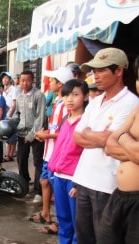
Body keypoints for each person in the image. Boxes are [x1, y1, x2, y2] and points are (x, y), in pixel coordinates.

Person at [72, 47, 139, 244]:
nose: (95, 76)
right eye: (93, 71)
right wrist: (100, 137)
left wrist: (94, 135)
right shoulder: (95, 101)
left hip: (107, 185)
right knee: (84, 236)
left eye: (101, 70)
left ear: (118, 71)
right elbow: (78, 136)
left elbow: (109, 142)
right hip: (84, 178)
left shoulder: (130, 103)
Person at [98, 56, 139, 244]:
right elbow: (110, 145)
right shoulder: (137, 109)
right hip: (120, 196)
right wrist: (126, 140)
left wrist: (122, 138)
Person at [29, 66, 72, 231]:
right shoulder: (56, 102)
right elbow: (55, 128)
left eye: (53, 80)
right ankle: (46, 213)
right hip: (49, 151)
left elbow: (66, 132)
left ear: (60, 84)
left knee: (58, 187)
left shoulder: (66, 106)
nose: (49, 82)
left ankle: (61, 222)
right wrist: (46, 133)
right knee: (44, 181)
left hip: (57, 152)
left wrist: (47, 135)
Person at [47, 79, 89, 242]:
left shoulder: (87, 122)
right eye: (66, 95)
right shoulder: (66, 119)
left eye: (75, 95)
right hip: (59, 176)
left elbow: (88, 154)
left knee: (77, 223)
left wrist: (80, 182)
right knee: (63, 220)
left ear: (85, 97)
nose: (70, 99)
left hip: (74, 179)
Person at [15, 70, 47, 200]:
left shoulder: (39, 95)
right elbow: (18, 115)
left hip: (37, 134)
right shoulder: (19, 97)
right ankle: (24, 184)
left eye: (27, 80)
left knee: (37, 161)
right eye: (22, 80)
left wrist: (31, 135)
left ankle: (39, 191)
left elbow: (40, 118)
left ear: (33, 80)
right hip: (21, 133)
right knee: (21, 159)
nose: (25, 83)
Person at [2, 71, 18, 162]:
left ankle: (11, 155)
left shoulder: (13, 89)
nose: (4, 80)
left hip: (12, 116)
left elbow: (15, 104)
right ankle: (8, 154)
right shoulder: (4, 90)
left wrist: (10, 115)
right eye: (3, 78)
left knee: (12, 136)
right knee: (7, 136)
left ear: (10, 80)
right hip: (6, 116)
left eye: (6, 78)